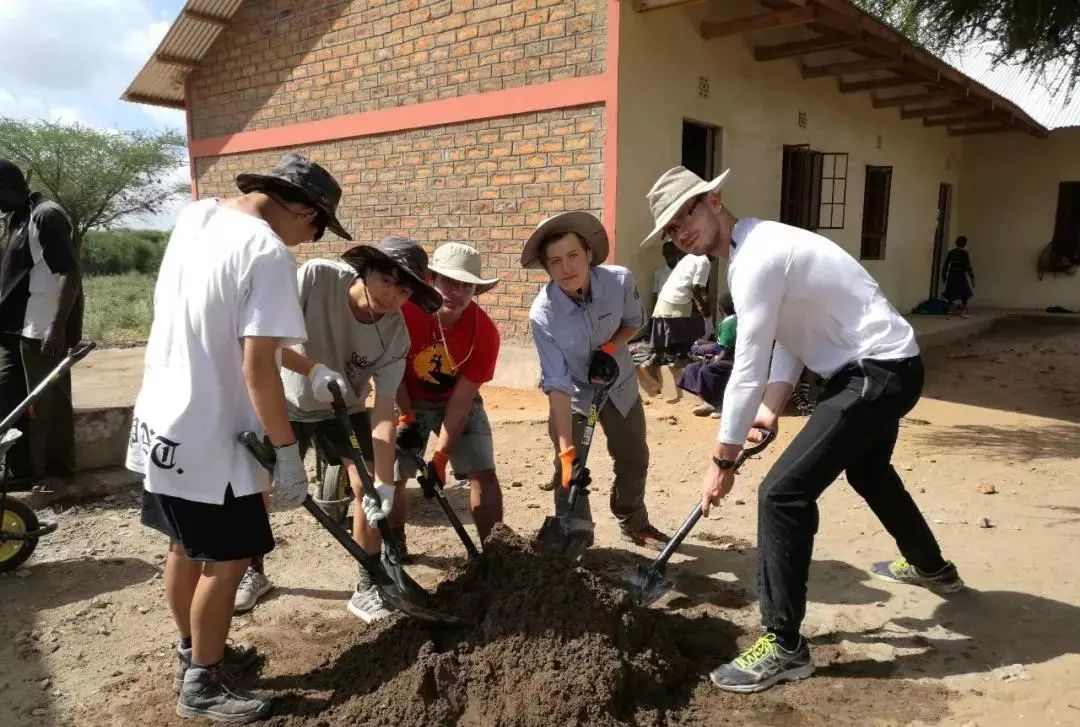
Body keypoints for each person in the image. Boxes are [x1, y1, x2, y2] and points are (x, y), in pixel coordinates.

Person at [643, 166, 963, 693]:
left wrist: (721, 461)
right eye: (672, 228)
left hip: (875, 370)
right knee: (869, 471)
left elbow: (746, 367)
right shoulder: (756, 250)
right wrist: (771, 409)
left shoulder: (757, 258)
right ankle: (932, 566)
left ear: (714, 202)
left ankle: (785, 645)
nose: (682, 231)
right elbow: (788, 338)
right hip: (883, 366)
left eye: (687, 215)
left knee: (782, 494)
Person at [127, 153, 352, 722]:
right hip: (216, 437)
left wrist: (309, 367)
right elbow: (256, 367)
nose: (309, 240)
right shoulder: (268, 251)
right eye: (316, 227)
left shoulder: (195, 217)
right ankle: (202, 685)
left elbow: (233, 327)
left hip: (163, 425)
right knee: (227, 564)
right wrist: (285, 454)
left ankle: (197, 650)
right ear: (302, 208)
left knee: (182, 546)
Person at [234, 236, 442, 623]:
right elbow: (264, 341)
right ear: (366, 270)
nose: (391, 297)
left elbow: (383, 411)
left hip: (343, 409)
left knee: (367, 488)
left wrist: (383, 480)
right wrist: (311, 369)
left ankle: (367, 582)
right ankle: (253, 570)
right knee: (258, 486)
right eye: (385, 280)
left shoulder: (397, 336)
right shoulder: (317, 278)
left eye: (403, 290)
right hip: (287, 400)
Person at [523, 211, 669, 551]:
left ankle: (633, 520)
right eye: (555, 261)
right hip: (574, 394)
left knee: (634, 456)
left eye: (573, 255)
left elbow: (633, 322)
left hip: (617, 385)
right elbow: (556, 382)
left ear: (588, 253)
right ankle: (577, 532)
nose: (567, 267)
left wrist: (608, 347)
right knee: (569, 465)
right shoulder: (543, 314)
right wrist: (566, 451)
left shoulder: (619, 282)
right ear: (547, 268)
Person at [394, 242, 504, 544]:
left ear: (475, 291)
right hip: (405, 396)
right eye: (448, 282)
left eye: (466, 286)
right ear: (430, 280)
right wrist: (406, 418)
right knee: (392, 474)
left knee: (482, 472)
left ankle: (495, 551)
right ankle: (394, 546)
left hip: (452, 401)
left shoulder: (485, 334)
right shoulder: (404, 314)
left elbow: (461, 403)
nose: (456, 292)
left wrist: (441, 457)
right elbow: (391, 376)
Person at [0, 160, 82, 488]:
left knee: (50, 403)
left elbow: (69, 273)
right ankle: (21, 473)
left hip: (41, 328)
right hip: (10, 329)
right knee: (8, 397)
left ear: (6, 188)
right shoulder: (15, 218)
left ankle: (60, 474)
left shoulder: (46, 216)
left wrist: (57, 326)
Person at [647, 247, 710, 368]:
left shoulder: (689, 258)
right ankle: (682, 356)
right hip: (678, 302)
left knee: (667, 331)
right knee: (697, 326)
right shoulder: (704, 261)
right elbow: (696, 287)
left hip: (663, 300)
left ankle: (660, 354)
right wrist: (704, 307)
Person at [678, 292, 737, 418]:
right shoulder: (735, 320)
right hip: (729, 358)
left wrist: (715, 360)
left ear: (720, 309)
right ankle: (707, 402)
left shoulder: (729, 323)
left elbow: (724, 351)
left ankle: (720, 405)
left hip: (734, 360)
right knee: (691, 369)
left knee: (708, 370)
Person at [942, 235, 975, 319]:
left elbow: (946, 265)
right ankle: (963, 310)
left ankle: (950, 311)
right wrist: (972, 277)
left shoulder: (951, 252)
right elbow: (968, 267)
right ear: (964, 244)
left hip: (952, 274)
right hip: (960, 274)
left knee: (951, 292)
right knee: (964, 292)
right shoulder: (964, 253)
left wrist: (944, 274)